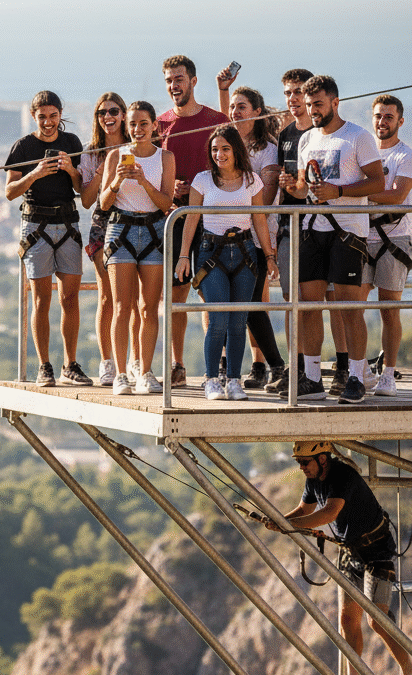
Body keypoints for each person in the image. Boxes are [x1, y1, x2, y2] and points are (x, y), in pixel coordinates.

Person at [279, 75, 384, 403]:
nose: (312, 110)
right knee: (308, 306)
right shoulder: (306, 138)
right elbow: (302, 184)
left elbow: (377, 182)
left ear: (335, 102)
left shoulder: (358, 137)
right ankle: (312, 378)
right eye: (309, 105)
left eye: (318, 104)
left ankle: (356, 377)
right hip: (312, 227)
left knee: (349, 307)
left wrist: (338, 191)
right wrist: (291, 187)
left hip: (348, 231)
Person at [271, 441, 411, 675]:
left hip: (376, 550)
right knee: (347, 620)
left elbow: (329, 513)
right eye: (299, 462)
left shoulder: (343, 476)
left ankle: (407, 667)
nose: (302, 467)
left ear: (322, 459)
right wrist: (276, 519)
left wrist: (285, 525)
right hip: (349, 551)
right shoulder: (313, 479)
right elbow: (304, 510)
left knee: (377, 620)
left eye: (305, 462)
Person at [175, 125, 278, 400]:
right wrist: (184, 255)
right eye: (214, 149)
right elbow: (192, 219)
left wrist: (269, 256)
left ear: (236, 151)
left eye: (225, 149)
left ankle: (234, 379)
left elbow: (259, 219)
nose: (219, 154)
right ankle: (212, 379)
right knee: (218, 319)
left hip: (245, 252)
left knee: (238, 321)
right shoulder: (202, 181)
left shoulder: (251, 180)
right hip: (212, 254)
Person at [5, 90, 92, 387]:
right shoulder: (23, 147)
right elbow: (10, 191)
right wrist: (35, 174)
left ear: (60, 115)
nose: (48, 122)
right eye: (42, 117)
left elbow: (82, 187)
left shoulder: (71, 143)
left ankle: (71, 363)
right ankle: (45, 365)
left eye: (53, 116)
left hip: (66, 222)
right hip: (36, 225)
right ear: (34, 117)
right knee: (41, 299)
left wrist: (70, 169)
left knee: (70, 297)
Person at [158, 55, 230, 388]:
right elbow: (152, 168)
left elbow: (230, 160)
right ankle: (177, 364)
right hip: (175, 215)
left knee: (211, 294)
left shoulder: (214, 120)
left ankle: (215, 365)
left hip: (210, 218)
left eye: (180, 79)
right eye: (170, 80)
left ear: (193, 81)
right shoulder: (160, 126)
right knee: (176, 294)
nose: (175, 85)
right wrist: (169, 184)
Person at [214, 79, 288, 390]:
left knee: (248, 304)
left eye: (241, 107)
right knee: (239, 303)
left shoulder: (267, 149)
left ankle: (273, 365)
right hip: (229, 234)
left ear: (256, 112)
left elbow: (267, 194)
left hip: (257, 235)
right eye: (231, 107)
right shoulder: (229, 146)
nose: (234, 112)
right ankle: (251, 367)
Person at [99, 100, 176, 395]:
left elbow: (166, 202)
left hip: (153, 229)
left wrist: (144, 181)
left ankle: (144, 370)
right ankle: (121, 373)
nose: (137, 130)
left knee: (148, 308)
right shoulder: (116, 156)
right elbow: (104, 203)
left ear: (154, 125)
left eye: (143, 124)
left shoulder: (165, 157)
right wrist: (117, 179)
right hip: (121, 230)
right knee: (121, 306)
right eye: (132, 124)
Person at [79, 92, 142, 386]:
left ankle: (135, 360)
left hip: (136, 223)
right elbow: (87, 200)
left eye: (114, 111)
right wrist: (104, 171)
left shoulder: (138, 148)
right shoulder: (91, 153)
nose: (108, 117)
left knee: (135, 299)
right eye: (102, 112)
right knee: (108, 297)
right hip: (104, 226)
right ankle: (107, 362)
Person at [267, 68, 315, 394]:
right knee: (289, 300)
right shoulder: (285, 135)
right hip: (287, 226)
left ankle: (328, 368)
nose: (292, 98)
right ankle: (293, 366)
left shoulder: (321, 132)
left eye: (297, 92)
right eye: (287, 93)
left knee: (313, 300)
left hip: (318, 226)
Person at [363, 95, 412, 397]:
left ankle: (388, 374)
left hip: (394, 238)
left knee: (388, 309)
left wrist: (360, 193)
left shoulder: (404, 156)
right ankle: (359, 369)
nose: (382, 122)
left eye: (388, 117)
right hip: (359, 234)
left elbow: (397, 195)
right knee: (350, 306)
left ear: (400, 122)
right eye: (379, 116)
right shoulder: (365, 156)